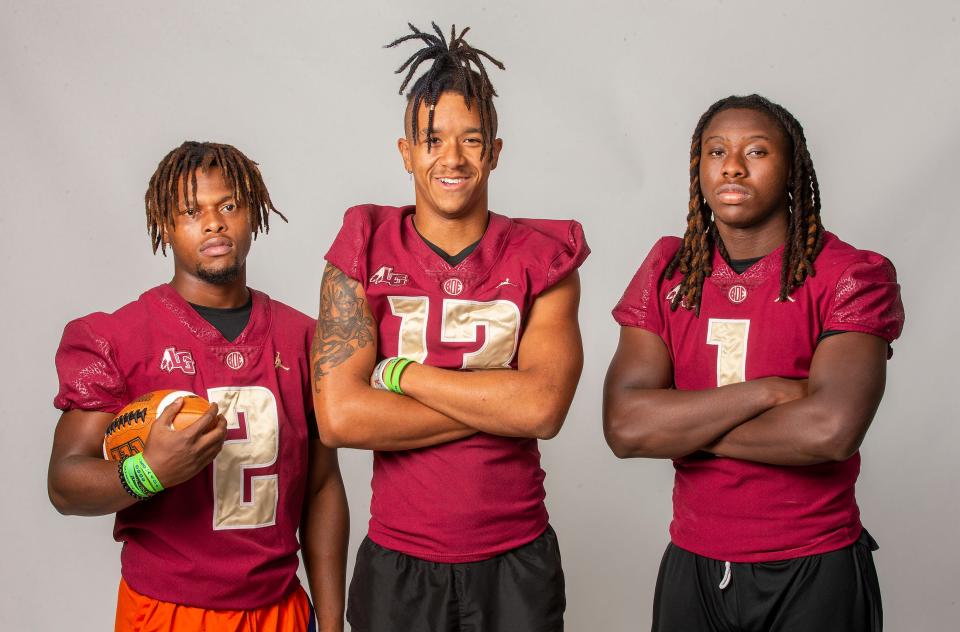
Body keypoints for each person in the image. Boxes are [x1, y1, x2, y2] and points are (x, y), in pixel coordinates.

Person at [312, 23, 588, 632]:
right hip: (400, 557)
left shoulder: (545, 255)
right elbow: (340, 419)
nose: (452, 158)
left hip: (516, 554)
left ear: (494, 150)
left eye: (470, 140)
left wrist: (401, 374)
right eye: (432, 140)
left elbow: (542, 409)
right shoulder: (362, 243)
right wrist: (497, 401)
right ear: (406, 151)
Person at [604, 95, 904, 631]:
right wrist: (765, 392)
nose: (733, 165)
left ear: (790, 169)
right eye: (716, 150)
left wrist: (677, 426)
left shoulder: (851, 274)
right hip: (693, 560)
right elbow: (625, 428)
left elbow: (828, 432)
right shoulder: (668, 272)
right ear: (699, 168)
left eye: (757, 151)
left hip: (812, 564)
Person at [48, 141, 348, 632]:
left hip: (282, 610)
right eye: (192, 211)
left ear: (253, 213)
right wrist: (149, 471)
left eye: (228, 205)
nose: (214, 223)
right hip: (167, 612)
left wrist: (332, 621)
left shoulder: (304, 338)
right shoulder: (116, 338)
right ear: (166, 225)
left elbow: (321, 486)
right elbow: (64, 483)